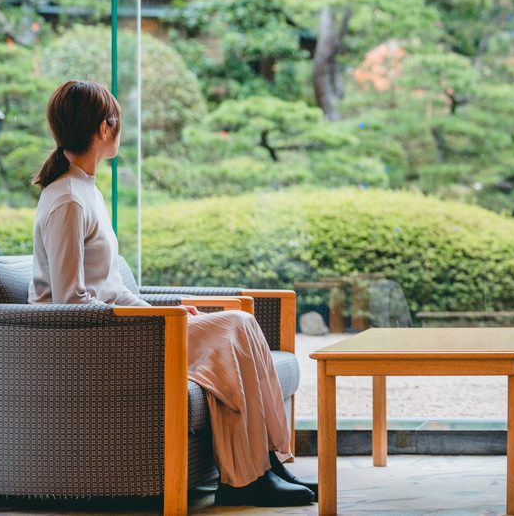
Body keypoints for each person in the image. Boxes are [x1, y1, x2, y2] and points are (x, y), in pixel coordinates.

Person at [31, 79, 316, 507]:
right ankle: (249, 475)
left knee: (235, 329)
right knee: (235, 323)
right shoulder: (68, 200)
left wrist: (164, 312)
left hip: (118, 330)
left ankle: (261, 467)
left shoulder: (86, 190)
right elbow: (70, 302)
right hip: (91, 343)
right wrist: (156, 322)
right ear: (104, 129)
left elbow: (112, 289)